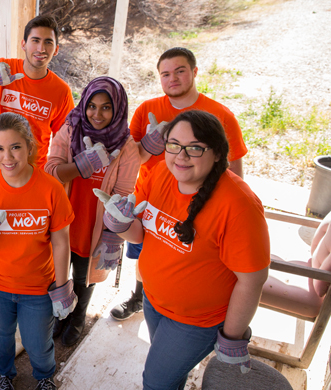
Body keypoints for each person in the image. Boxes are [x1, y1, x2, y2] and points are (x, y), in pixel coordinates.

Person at [96, 110, 269, 390]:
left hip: (196, 320)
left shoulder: (239, 206)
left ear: (217, 153)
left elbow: (253, 279)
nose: (181, 156)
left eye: (195, 148)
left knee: (155, 381)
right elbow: (141, 233)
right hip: (154, 301)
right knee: (170, 375)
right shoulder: (161, 173)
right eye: (174, 144)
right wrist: (120, 224)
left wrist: (232, 337)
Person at [111, 47, 249, 321]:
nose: (172, 78)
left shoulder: (220, 115)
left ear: (195, 72)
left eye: (180, 71)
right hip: (150, 200)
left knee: (188, 260)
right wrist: (148, 144)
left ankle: (190, 310)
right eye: (165, 74)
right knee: (144, 254)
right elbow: (131, 159)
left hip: (197, 206)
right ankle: (140, 297)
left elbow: (235, 174)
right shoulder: (148, 109)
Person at [0, 112, 76, 390]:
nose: (7, 157)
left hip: (37, 288)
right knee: (0, 335)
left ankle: (45, 376)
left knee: (38, 342)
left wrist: (62, 287)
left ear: (29, 147)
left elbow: (61, 242)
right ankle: (4, 375)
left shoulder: (51, 188)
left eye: (15, 147)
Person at [44, 76, 140, 346]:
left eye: (106, 107)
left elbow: (121, 194)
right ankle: (61, 315)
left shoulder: (127, 147)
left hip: (96, 224)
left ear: (118, 108)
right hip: (64, 220)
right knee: (58, 273)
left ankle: (77, 317)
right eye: (92, 106)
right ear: (84, 104)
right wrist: (80, 166)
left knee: (85, 277)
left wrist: (114, 234)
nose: (97, 114)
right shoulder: (70, 131)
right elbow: (50, 172)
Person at [0, 14, 74, 170]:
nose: (41, 49)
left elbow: (65, 141)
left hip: (34, 171)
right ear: (24, 44)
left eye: (48, 42)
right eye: (35, 41)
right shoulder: (3, 69)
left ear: (56, 49)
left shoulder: (61, 91)